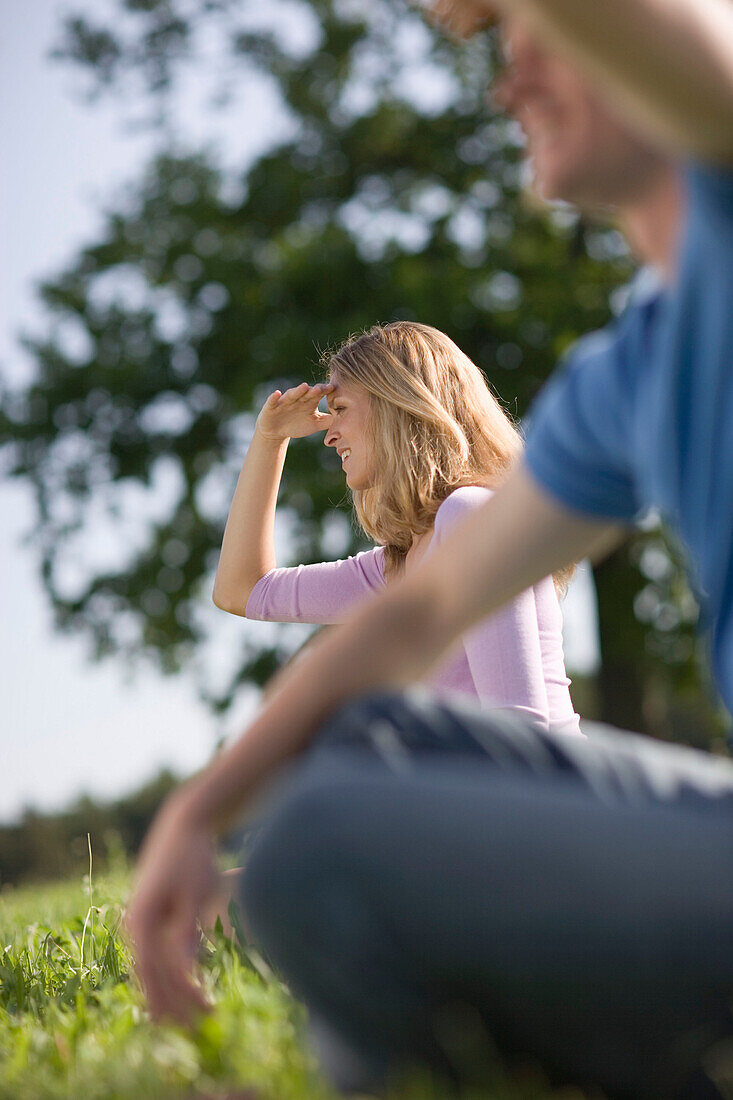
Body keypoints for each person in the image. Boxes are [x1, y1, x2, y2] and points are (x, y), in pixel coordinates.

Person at [125, 0, 733, 1096]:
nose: (507, 88)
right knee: (358, 746)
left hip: (571, 809)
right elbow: (297, 599)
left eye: (542, 47)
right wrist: (197, 810)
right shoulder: (622, 371)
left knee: (318, 835)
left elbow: (526, 727)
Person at [213, 322, 580, 735]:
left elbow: (519, 734)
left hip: (547, 790)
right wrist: (269, 438)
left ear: (396, 404)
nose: (330, 435)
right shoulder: (395, 567)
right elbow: (240, 590)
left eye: (342, 410)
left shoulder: (470, 514)